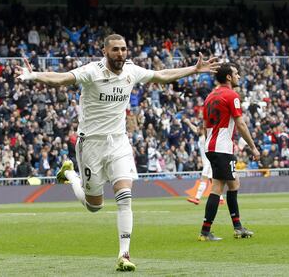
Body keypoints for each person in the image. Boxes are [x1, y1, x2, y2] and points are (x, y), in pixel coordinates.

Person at [17, 34, 220, 270]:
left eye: (123, 49)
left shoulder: (131, 72)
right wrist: (34, 75)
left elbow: (162, 75)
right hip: (90, 144)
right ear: (105, 51)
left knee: (125, 196)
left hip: (119, 143)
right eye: (115, 50)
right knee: (95, 206)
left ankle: (124, 255)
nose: (120, 54)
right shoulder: (92, 71)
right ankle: (71, 174)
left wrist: (194, 70)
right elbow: (61, 79)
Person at [198, 63, 260, 241]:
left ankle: (238, 228)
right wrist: (253, 147)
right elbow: (240, 124)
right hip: (222, 147)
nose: (239, 76)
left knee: (234, 184)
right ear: (228, 77)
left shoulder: (210, 97)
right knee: (218, 187)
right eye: (236, 73)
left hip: (212, 145)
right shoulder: (232, 95)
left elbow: (204, 126)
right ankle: (205, 231)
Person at [183, 118, 224, 205]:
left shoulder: (207, 136)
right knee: (212, 180)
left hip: (209, 161)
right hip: (208, 161)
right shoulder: (201, 136)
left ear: (203, 129)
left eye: (199, 129)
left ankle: (197, 198)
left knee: (204, 178)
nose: (197, 130)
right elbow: (194, 129)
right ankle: (221, 199)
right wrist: (188, 123)